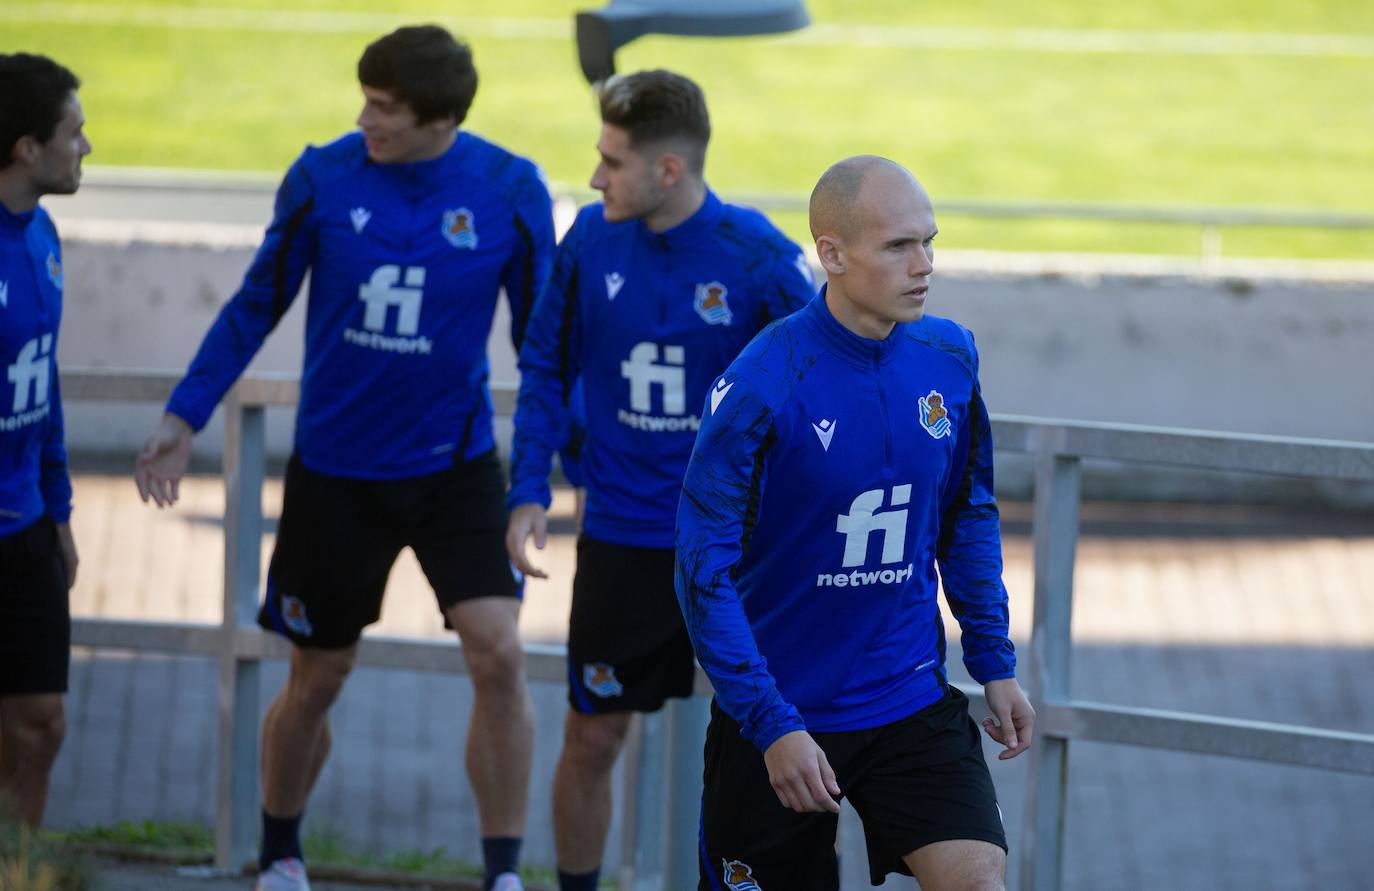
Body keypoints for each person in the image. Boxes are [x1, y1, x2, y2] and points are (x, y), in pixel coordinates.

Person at [133, 26, 552, 891]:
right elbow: (256, 303)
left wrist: (542, 475)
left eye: (385, 108)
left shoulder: (510, 190)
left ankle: (503, 872)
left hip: (456, 468)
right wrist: (185, 413)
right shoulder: (322, 176)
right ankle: (281, 853)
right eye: (364, 99)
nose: (364, 119)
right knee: (317, 674)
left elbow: (542, 347)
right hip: (336, 474)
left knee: (501, 653)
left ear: (441, 119)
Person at [675, 156, 1035, 890]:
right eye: (899, 246)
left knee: (980, 884)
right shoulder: (763, 384)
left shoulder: (949, 356)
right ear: (831, 254)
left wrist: (992, 659)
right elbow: (700, 569)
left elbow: (966, 512)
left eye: (930, 242)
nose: (925, 264)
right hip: (778, 713)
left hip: (907, 701)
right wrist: (772, 723)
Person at [504, 70, 816, 891]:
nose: (596, 178)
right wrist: (527, 485)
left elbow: (821, 384)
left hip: (743, 557)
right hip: (623, 544)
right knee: (591, 739)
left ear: (668, 170)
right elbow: (542, 364)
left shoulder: (760, 260)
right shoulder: (588, 242)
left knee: (773, 750)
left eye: (611, 161)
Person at [0, 52, 90, 830]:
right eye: (74, 132)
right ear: (27, 148)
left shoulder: (45, 234)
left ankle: (16, 868)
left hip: (25, 526)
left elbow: (44, 380)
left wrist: (57, 509)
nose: (86, 148)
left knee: (41, 719)